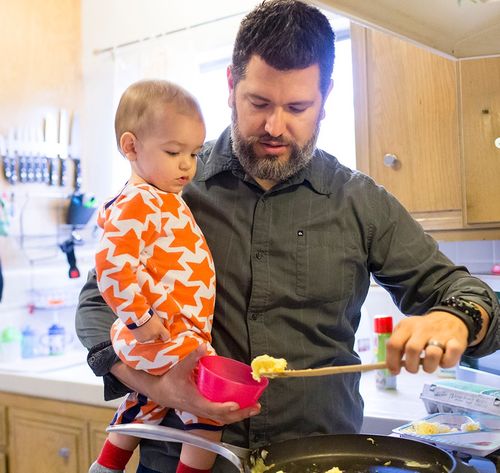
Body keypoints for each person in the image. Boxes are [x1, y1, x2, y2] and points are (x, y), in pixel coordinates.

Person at [76, 1, 500, 472]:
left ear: (326, 96)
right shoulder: (169, 187)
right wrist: (156, 385)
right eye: (258, 103)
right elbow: (98, 305)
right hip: (177, 457)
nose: (275, 126)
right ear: (231, 86)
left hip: (320, 461)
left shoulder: (359, 202)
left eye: (298, 107)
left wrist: (453, 320)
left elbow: (465, 294)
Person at [89, 79, 223, 473]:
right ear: (131, 147)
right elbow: (111, 266)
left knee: (144, 402)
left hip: (169, 332)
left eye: (194, 153)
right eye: (173, 152)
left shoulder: (162, 197)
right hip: (162, 332)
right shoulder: (138, 201)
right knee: (208, 409)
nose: (187, 165)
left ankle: (107, 465)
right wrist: (140, 320)